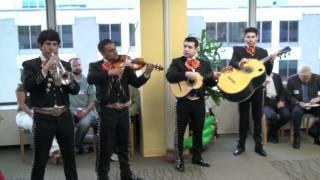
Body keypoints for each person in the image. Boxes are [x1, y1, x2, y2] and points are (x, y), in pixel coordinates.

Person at [87, 39, 154, 180]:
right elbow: (91, 79)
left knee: (124, 145)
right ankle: (102, 176)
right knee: (105, 146)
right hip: (107, 111)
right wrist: (110, 72)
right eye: (110, 50)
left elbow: (136, 83)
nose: (115, 52)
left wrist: (147, 73)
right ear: (102, 52)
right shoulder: (96, 66)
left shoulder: (126, 65)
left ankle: (126, 175)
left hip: (123, 111)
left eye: (115, 48)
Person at [22, 29, 79, 180]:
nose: (52, 48)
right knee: (40, 161)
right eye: (48, 44)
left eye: (55, 44)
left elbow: (74, 91)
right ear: (40, 46)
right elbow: (29, 86)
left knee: (70, 159)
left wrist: (66, 77)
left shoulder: (65, 65)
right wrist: (46, 69)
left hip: (64, 116)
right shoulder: (30, 65)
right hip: (43, 118)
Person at [166, 36, 220, 172]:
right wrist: (186, 74)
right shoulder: (177, 62)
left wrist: (214, 78)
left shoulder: (205, 64)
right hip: (183, 103)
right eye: (185, 46)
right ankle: (179, 160)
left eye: (190, 47)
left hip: (198, 103)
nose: (186, 49)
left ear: (197, 49)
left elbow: (208, 82)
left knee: (197, 131)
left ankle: (197, 157)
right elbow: (170, 76)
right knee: (179, 132)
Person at [229, 27, 275, 157]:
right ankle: (241, 146)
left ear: (257, 38)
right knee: (243, 118)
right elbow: (231, 64)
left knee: (257, 118)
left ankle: (258, 146)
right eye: (248, 37)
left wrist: (271, 62)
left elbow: (268, 72)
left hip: (257, 89)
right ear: (245, 38)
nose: (250, 39)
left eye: (253, 37)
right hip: (242, 89)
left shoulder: (263, 52)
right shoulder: (238, 50)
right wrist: (239, 63)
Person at [16, 80, 62, 164]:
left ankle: (49, 152)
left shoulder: (40, 86)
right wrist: (32, 115)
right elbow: (22, 105)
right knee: (36, 124)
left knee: (50, 123)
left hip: (37, 111)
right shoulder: (21, 88)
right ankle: (54, 151)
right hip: (23, 114)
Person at [286, 66, 320, 149]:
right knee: (296, 112)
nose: (305, 80)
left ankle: (316, 134)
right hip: (299, 104)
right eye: (303, 78)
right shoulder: (291, 80)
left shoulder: (317, 78)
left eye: (307, 78)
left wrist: (318, 98)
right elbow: (288, 95)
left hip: (312, 104)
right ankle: (297, 137)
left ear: (311, 75)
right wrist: (298, 102)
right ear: (299, 75)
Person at [69, 57, 98, 154]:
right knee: (63, 123)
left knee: (84, 123)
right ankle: (67, 147)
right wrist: (73, 111)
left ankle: (76, 146)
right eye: (74, 65)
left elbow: (93, 100)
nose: (77, 67)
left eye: (79, 65)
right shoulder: (66, 81)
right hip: (71, 111)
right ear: (70, 68)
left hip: (88, 111)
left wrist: (86, 111)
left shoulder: (88, 81)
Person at [262, 73, 291, 143]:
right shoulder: (259, 77)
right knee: (273, 116)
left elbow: (282, 91)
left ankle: (271, 130)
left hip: (278, 102)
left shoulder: (276, 76)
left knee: (287, 115)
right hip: (266, 104)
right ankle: (274, 135)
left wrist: (282, 100)